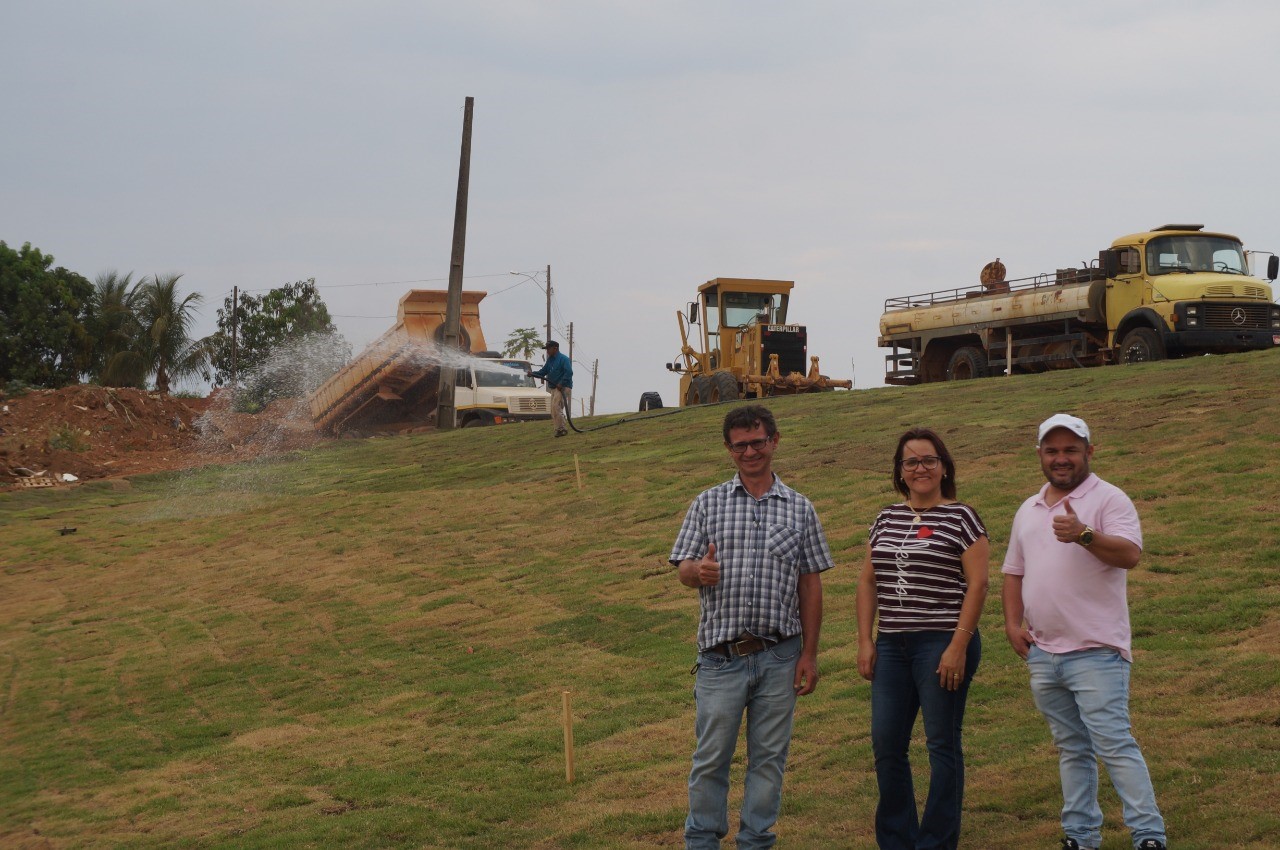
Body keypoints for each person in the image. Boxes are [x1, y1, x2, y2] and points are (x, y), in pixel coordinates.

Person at [670, 404, 834, 849]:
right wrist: (696, 572)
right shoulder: (708, 503)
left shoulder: (800, 508)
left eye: (758, 442)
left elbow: (811, 586)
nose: (750, 451)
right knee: (710, 760)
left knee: (768, 761)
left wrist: (809, 654)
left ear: (774, 441)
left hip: (781, 655)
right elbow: (683, 568)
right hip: (721, 660)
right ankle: (702, 842)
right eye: (740, 445)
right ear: (729, 450)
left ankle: (756, 842)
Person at [1002, 414, 1167, 850]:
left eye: (1071, 450)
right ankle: (1080, 837)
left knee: (1113, 745)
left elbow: (1130, 555)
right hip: (1043, 654)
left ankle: (1149, 836)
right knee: (1072, 749)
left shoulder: (1109, 500)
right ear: (1039, 454)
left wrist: (1084, 534)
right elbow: (1014, 572)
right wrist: (1011, 624)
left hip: (1097, 651)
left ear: (1089, 452)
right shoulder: (1029, 508)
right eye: (1052, 450)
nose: (1061, 458)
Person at [856, 427, 990, 850]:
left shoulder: (962, 517)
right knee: (886, 745)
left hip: (942, 642)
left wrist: (958, 645)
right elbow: (867, 582)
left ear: (944, 466)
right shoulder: (885, 517)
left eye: (929, 460)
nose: (920, 468)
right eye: (910, 461)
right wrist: (865, 640)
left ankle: (935, 842)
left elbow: (979, 584)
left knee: (941, 744)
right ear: (900, 471)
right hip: (892, 645)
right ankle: (897, 840)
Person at [529, 340, 572, 437]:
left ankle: (562, 429)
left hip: (563, 387)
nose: (547, 351)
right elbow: (543, 372)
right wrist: (532, 373)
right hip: (554, 387)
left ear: (555, 348)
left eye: (549, 349)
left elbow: (569, 372)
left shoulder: (563, 359)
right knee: (553, 409)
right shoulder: (550, 360)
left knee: (556, 407)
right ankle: (558, 429)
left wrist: (561, 383)